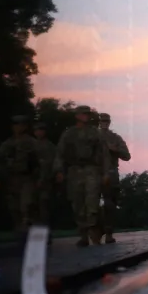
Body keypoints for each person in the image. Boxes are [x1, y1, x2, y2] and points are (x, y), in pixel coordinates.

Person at [53, 105, 111, 247]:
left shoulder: (95, 133)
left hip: (92, 170)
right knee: (77, 203)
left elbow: (104, 154)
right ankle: (83, 235)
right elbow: (60, 153)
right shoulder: (69, 134)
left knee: (92, 203)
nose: (86, 116)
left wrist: (106, 173)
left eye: (87, 114)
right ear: (77, 116)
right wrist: (59, 171)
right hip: (74, 171)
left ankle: (94, 234)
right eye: (83, 114)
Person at [0, 115, 42, 233]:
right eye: (15, 125)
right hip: (12, 179)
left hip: (27, 178)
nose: (18, 128)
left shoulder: (31, 142)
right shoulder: (7, 144)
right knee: (14, 207)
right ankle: (20, 229)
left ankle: (28, 227)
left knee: (27, 205)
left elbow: (40, 161)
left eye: (20, 125)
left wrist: (40, 178)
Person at [98, 112, 131, 244]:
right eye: (102, 121)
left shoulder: (115, 138)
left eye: (106, 121)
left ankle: (109, 233)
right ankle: (94, 231)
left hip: (111, 173)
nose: (104, 123)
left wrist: (115, 150)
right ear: (99, 123)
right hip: (93, 173)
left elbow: (127, 156)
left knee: (110, 204)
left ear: (109, 123)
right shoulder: (92, 136)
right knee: (90, 205)